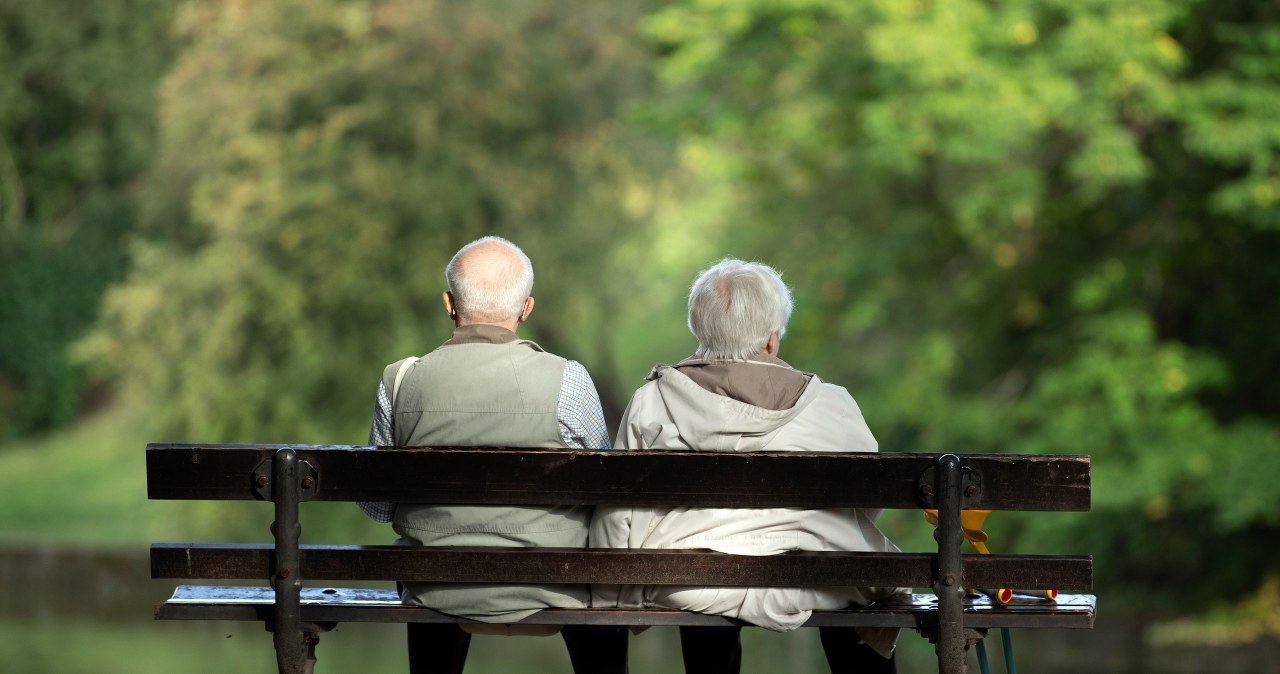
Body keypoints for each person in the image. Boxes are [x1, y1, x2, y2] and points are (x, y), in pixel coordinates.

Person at [590, 259, 904, 674]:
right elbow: (865, 502)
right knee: (854, 579)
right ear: (772, 341)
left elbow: (619, 511)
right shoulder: (832, 404)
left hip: (687, 580)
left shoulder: (652, 401)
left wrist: (611, 594)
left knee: (698, 572)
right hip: (817, 578)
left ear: (700, 332)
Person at [358, 236, 628, 674]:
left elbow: (379, 507)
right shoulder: (569, 380)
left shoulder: (400, 381)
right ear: (526, 309)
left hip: (435, 587)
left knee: (429, 568)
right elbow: (602, 494)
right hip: (555, 584)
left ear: (449, 304)